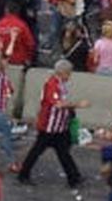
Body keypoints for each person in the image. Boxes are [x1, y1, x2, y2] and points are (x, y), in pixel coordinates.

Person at [17, 59, 88, 188]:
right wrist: (78, 105)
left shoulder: (59, 84)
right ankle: (24, 173)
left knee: (62, 152)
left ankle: (74, 177)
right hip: (49, 126)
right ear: (63, 72)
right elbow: (58, 104)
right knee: (39, 151)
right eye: (68, 73)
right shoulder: (52, 84)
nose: (69, 76)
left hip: (58, 125)